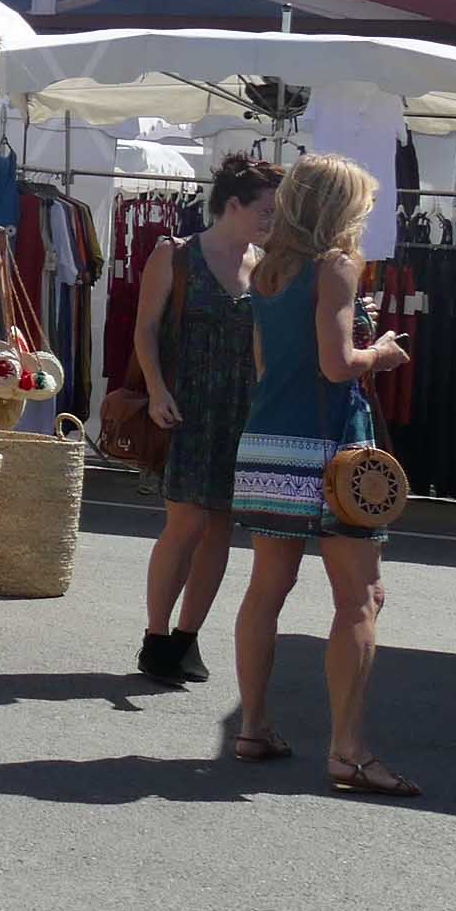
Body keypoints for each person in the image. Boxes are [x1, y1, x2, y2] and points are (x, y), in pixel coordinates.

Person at [228, 153, 418, 797]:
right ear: (340, 208)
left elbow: (264, 362)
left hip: (268, 440)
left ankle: (253, 726)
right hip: (330, 445)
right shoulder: (334, 266)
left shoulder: (266, 269)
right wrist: (381, 352)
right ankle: (349, 751)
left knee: (266, 589)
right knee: (361, 597)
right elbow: (337, 365)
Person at [130, 153, 278, 685]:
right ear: (232, 204)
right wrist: (156, 389)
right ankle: (155, 636)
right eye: (265, 210)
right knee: (186, 522)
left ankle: (186, 637)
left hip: (243, 410)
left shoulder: (265, 265)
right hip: (186, 406)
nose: (271, 220)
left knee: (220, 527)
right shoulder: (175, 254)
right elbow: (145, 329)